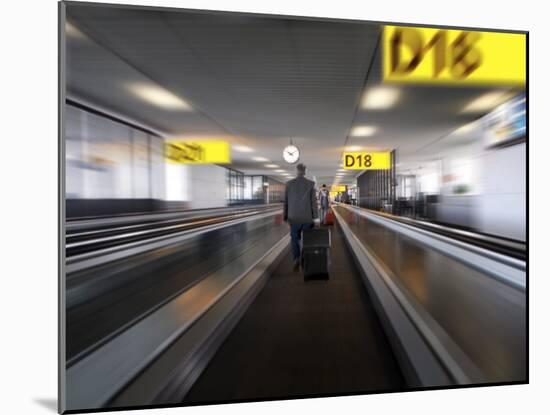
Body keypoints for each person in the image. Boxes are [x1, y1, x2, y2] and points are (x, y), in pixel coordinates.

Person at [283, 163, 320, 270]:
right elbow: (314, 203)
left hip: (293, 218)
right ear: (305, 171)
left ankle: (296, 258)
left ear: (296, 171)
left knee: (294, 239)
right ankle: (305, 258)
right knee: (306, 239)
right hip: (307, 218)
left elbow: (286, 203)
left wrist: (285, 217)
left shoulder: (289, 184)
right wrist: (316, 219)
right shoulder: (310, 184)